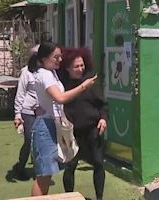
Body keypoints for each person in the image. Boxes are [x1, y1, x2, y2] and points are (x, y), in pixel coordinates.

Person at [29, 42, 97, 197]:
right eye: (56, 57)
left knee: (47, 174)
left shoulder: (51, 72)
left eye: (60, 56)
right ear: (44, 58)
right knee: (44, 175)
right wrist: (84, 86)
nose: (59, 60)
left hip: (52, 124)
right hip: (45, 127)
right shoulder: (45, 75)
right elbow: (60, 98)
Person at [60, 48, 108, 200]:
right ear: (67, 68)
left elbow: (103, 105)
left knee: (99, 163)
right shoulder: (62, 85)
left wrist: (103, 118)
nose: (80, 69)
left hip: (92, 130)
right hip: (71, 132)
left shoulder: (90, 83)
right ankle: (69, 196)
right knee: (70, 166)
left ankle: (99, 197)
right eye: (76, 66)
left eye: (82, 65)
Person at [12, 45, 40, 180]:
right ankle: (20, 166)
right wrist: (18, 114)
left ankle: (39, 167)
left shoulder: (48, 72)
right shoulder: (26, 72)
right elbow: (20, 93)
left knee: (39, 140)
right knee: (29, 139)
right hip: (27, 111)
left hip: (42, 111)